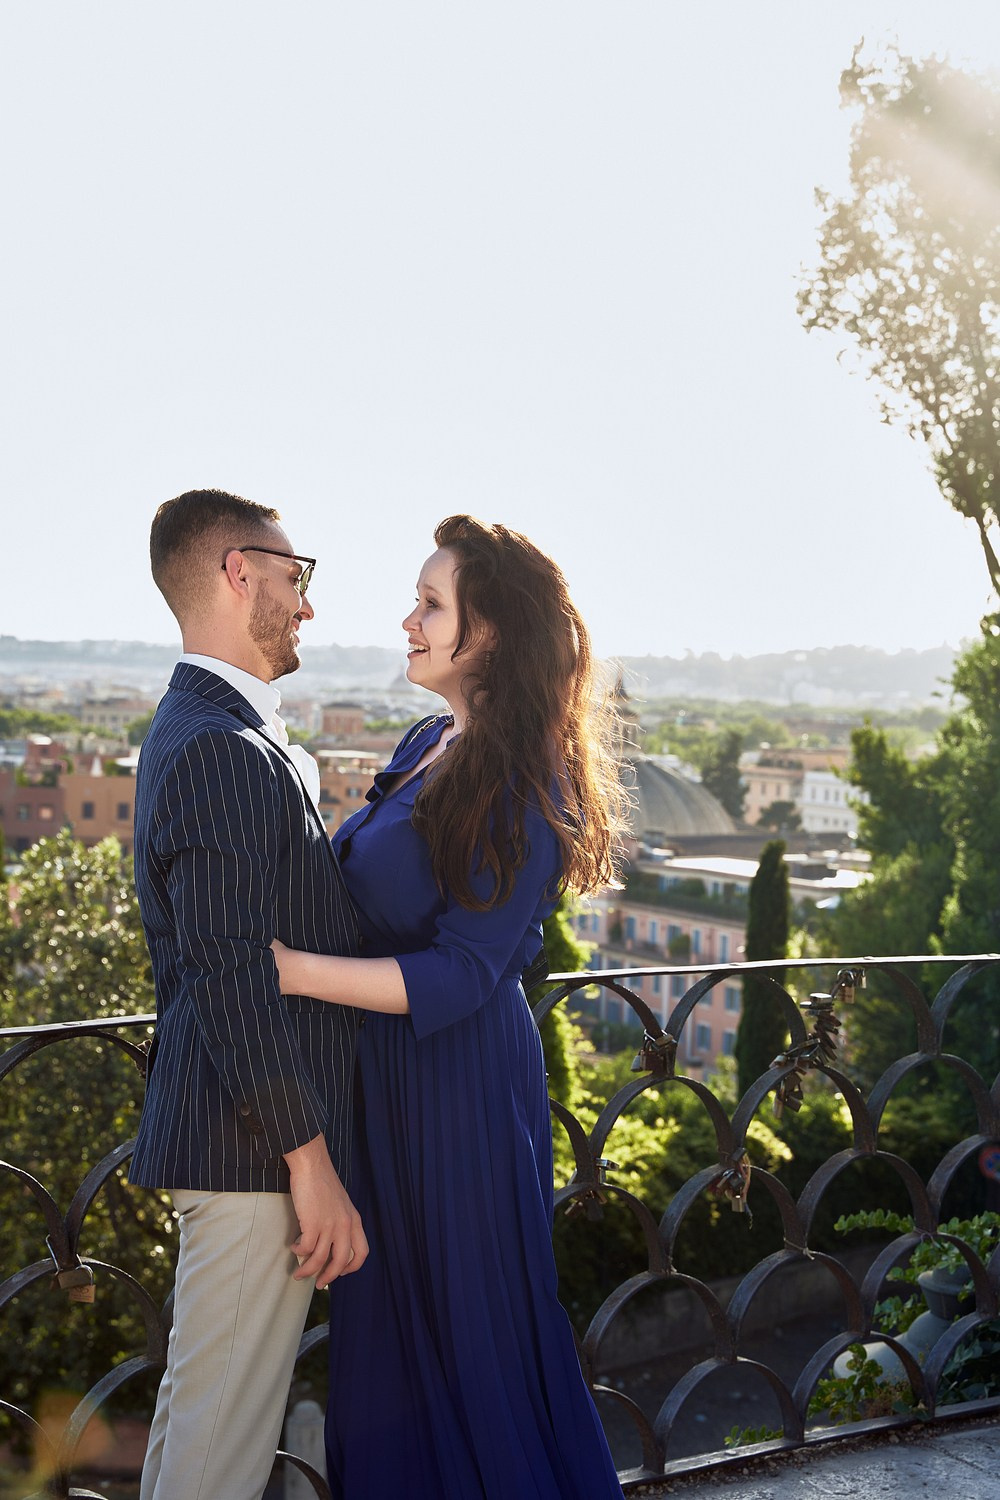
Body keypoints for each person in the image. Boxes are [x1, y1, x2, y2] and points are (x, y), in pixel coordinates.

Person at [271, 514, 628, 1499]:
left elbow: (460, 973)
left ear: (493, 635)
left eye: (431, 605)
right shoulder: (430, 738)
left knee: (470, 1344)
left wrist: (289, 973)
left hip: (458, 1092)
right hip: (383, 1084)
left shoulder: (523, 779)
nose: (407, 620)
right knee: (390, 1345)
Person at [130, 488, 368, 1500]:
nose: (305, 604)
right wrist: (306, 1160)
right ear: (238, 573)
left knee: (202, 1430)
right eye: (292, 574)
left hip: (242, 1145)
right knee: (215, 1455)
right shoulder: (221, 747)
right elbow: (230, 973)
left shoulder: (204, 727)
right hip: (250, 1152)